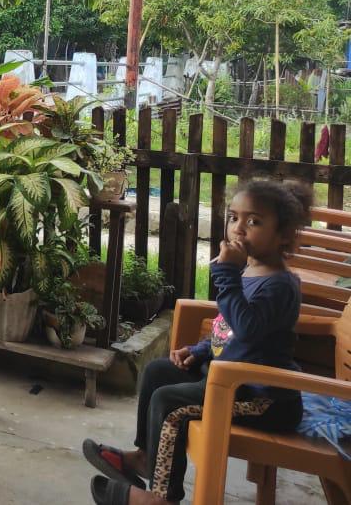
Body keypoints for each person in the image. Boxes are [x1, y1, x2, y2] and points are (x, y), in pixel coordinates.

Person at [84, 179, 309, 504]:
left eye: (254, 221)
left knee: (168, 401)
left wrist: (227, 276)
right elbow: (227, 327)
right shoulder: (249, 272)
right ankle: (146, 457)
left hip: (264, 398)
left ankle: (162, 496)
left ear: (284, 234)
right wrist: (200, 350)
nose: (238, 228)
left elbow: (247, 329)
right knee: (157, 372)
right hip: (229, 381)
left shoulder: (281, 286)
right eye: (234, 217)